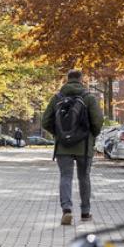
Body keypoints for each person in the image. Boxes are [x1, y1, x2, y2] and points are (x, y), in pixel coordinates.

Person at [41, 70, 104, 225]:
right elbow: (98, 121)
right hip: (84, 146)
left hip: (63, 147)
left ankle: (67, 210)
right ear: (81, 79)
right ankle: (85, 212)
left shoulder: (57, 98)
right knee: (84, 178)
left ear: (67, 80)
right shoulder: (88, 97)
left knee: (65, 177)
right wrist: (91, 135)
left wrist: (59, 133)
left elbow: (45, 121)